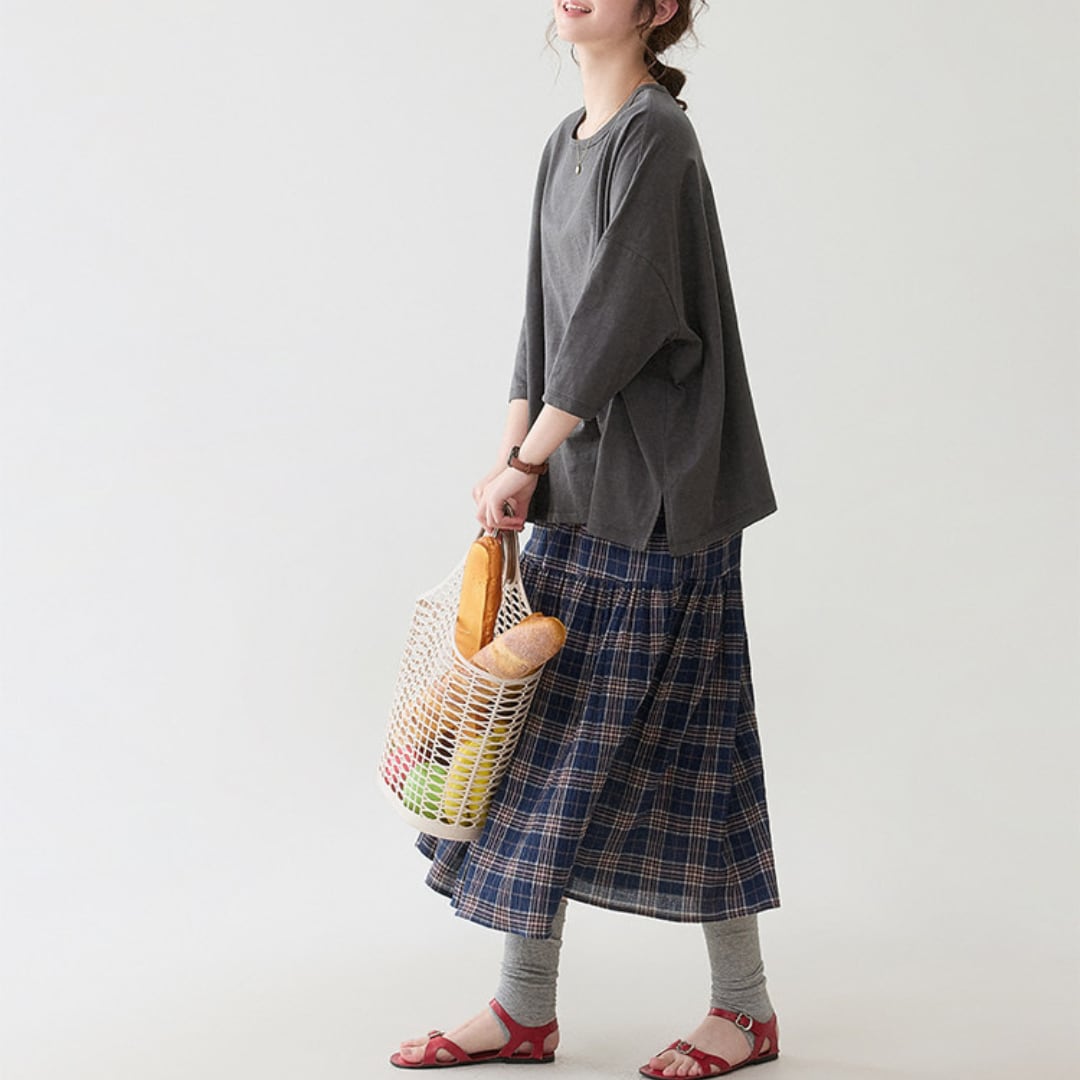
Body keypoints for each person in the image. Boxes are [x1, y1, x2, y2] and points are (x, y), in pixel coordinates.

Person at [390, 2, 782, 1076]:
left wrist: (528, 460)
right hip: (577, 484)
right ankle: (531, 1010)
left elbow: (620, 317)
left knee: (682, 750)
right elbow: (545, 322)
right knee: (538, 740)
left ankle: (740, 1011)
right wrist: (510, 458)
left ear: (658, 10)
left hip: (661, 496)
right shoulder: (565, 145)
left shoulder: (658, 137)